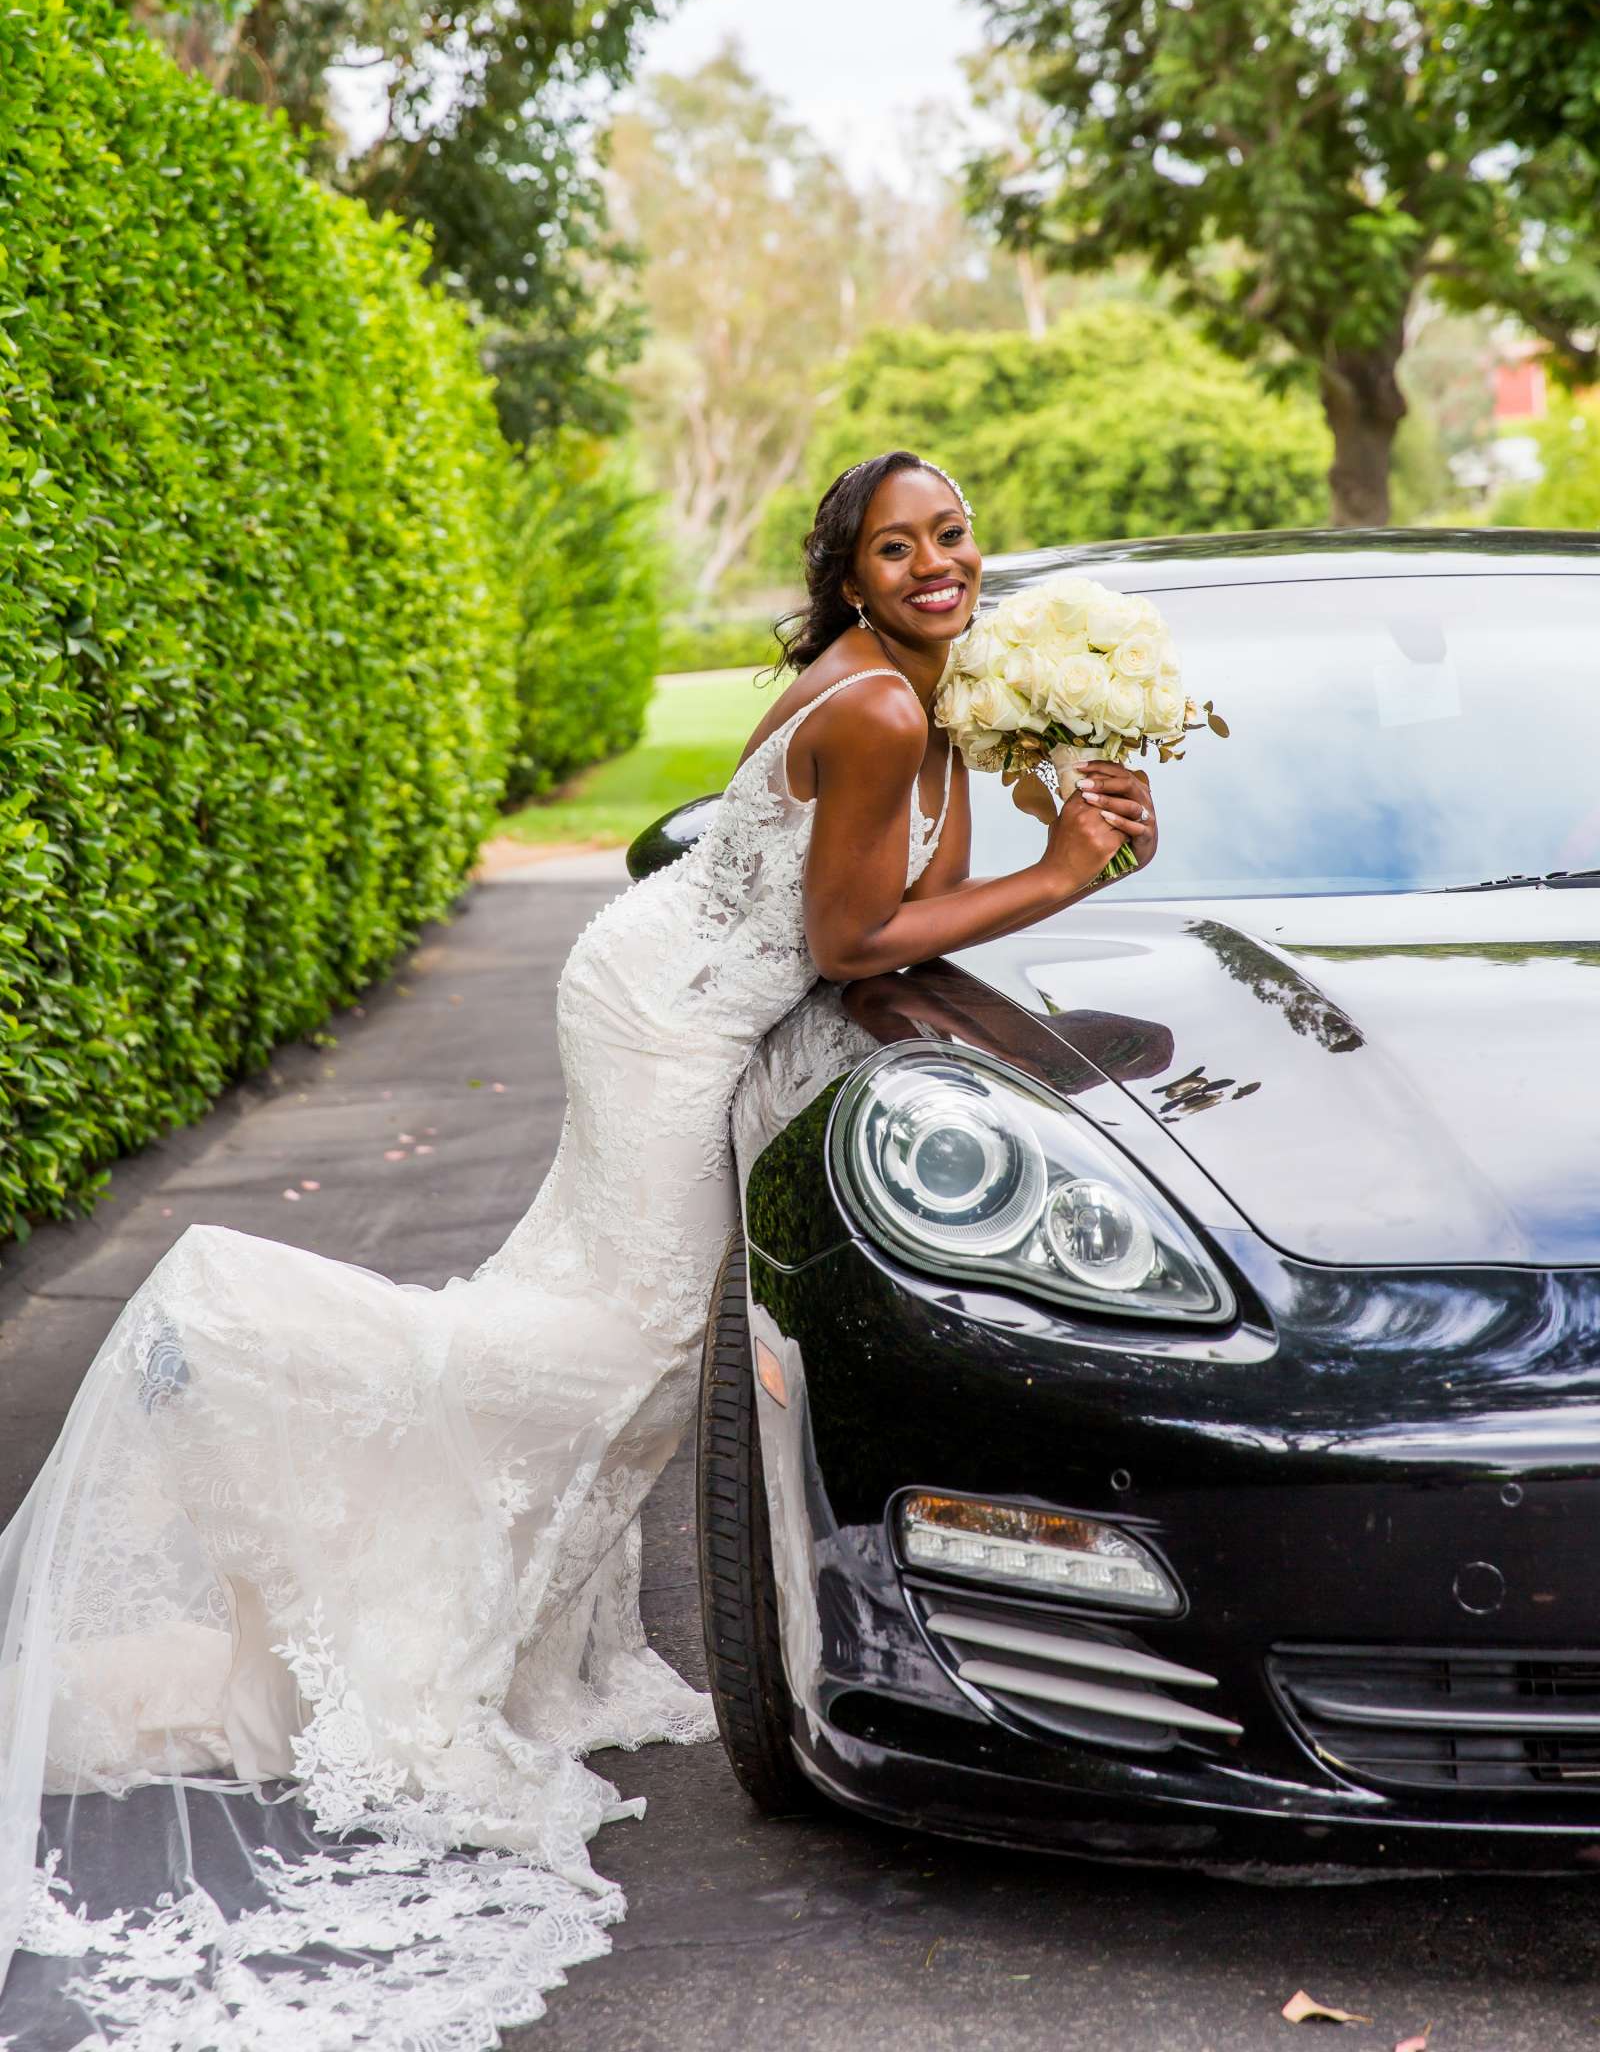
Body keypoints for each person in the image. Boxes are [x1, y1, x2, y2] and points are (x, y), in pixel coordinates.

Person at [0, 452, 1155, 2049]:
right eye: (898, 548)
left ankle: (492, 1625)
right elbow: (846, 942)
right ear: (854, 575)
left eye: (951, 533)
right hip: (665, 1021)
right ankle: (250, 1334)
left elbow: (902, 892)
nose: (936, 562)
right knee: (620, 1340)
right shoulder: (882, 709)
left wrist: (1036, 810)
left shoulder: (932, 699)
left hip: (672, 995)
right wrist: (1061, 873)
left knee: (612, 1339)